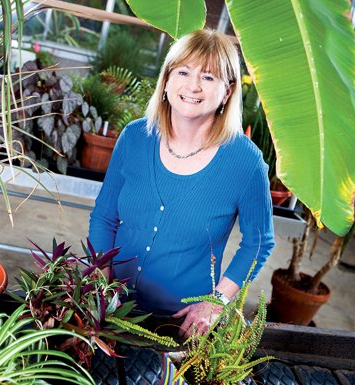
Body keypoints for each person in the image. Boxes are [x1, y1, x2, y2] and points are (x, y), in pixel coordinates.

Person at [88, 29, 275, 337]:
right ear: (167, 79)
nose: (193, 86)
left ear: (227, 92)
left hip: (178, 323)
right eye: (184, 71)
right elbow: (104, 217)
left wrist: (217, 303)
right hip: (108, 307)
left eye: (209, 77)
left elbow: (258, 243)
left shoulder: (245, 162)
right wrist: (100, 277)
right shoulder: (135, 137)